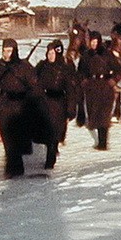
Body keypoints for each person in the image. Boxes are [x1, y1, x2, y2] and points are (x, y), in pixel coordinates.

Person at [0, 39, 37, 178]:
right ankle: (11, 165)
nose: (6, 53)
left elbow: (33, 86)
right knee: (6, 135)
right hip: (4, 104)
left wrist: (30, 103)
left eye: (9, 50)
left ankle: (16, 164)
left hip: (20, 104)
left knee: (18, 135)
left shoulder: (24, 66)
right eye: (4, 50)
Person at [34, 40, 75, 168]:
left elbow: (70, 90)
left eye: (52, 53)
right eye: (49, 53)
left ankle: (50, 159)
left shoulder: (63, 68)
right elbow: (33, 80)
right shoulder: (41, 66)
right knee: (45, 131)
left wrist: (71, 108)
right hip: (44, 102)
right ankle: (51, 148)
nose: (50, 56)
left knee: (54, 131)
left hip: (58, 103)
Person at [77, 30, 121, 150]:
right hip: (91, 87)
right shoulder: (86, 55)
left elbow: (119, 70)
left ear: (99, 41)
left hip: (105, 86)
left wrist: (113, 80)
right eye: (92, 41)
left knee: (104, 114)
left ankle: (103, 142)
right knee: (93, 112)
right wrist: (83, 81)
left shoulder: (107, 54)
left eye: (96, 41)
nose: (94, 44)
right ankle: (99, 138)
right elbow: (80, 71)